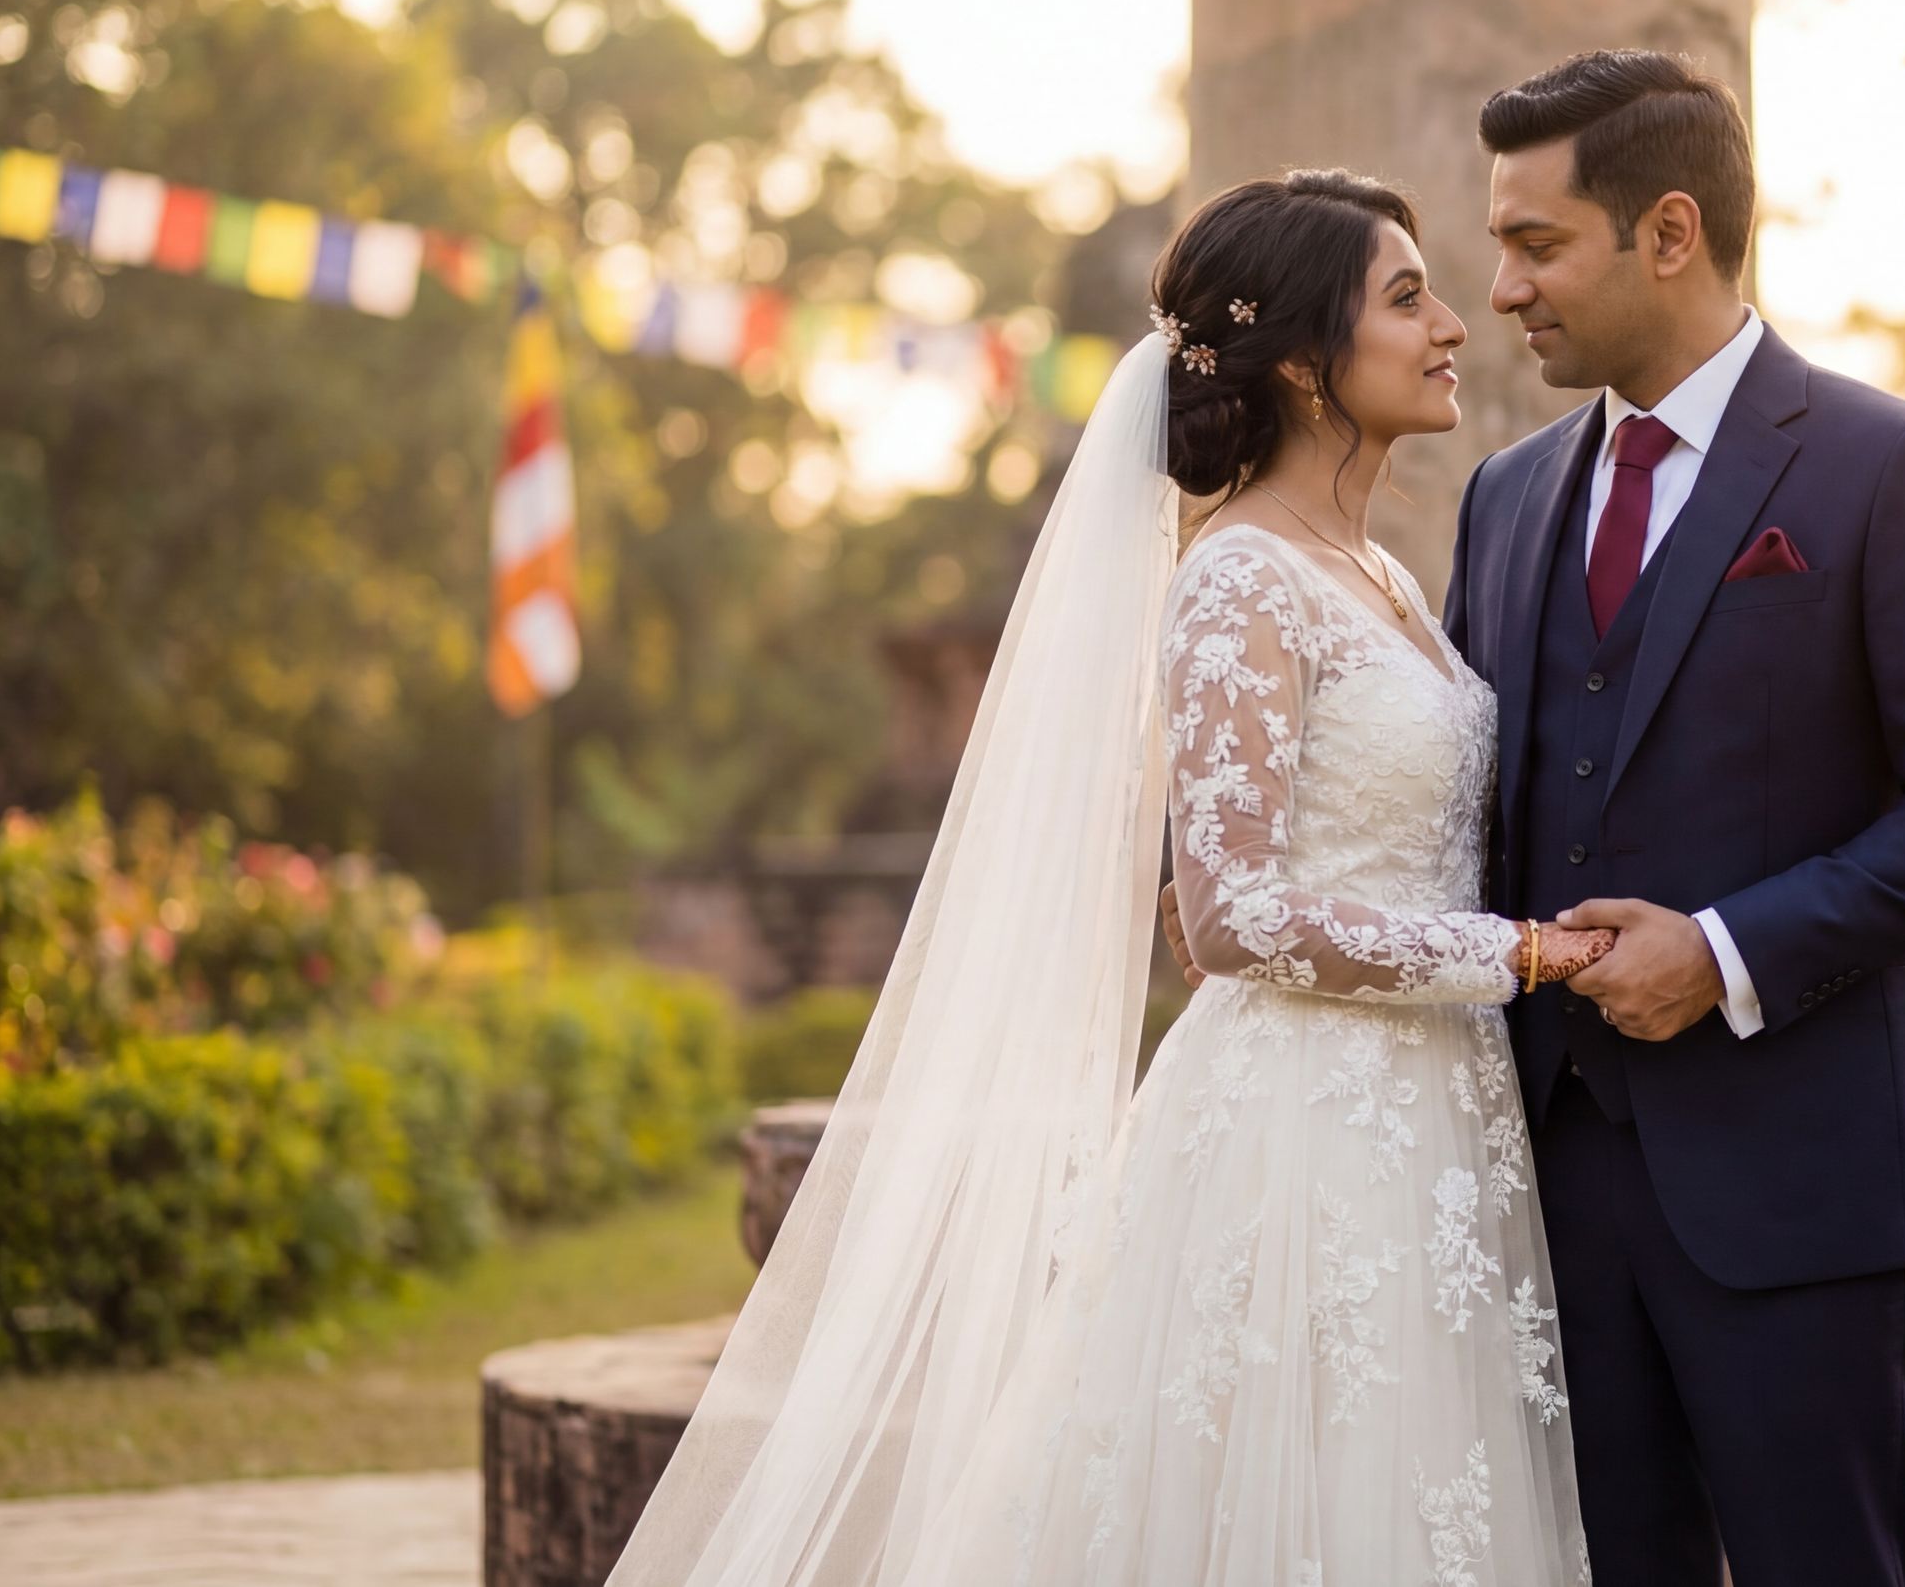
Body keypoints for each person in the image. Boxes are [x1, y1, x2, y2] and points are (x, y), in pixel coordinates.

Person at [605, 169, 1609, 1586]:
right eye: (1407, 296)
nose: (1454, 323)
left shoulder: (1376, 571)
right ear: (1310, 366)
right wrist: (1517, 953)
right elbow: (1232, 910)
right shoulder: (1242, 575)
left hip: (1433, 1122)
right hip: (1302, 1136)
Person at [1445, 50, 1905, 1587]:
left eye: (1534, 242)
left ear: (1667, 232)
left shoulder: (1891, 465)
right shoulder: (1506, 497)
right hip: (1551, 1183)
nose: (1501, 289)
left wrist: (1721, 951)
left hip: (1804, 1181)